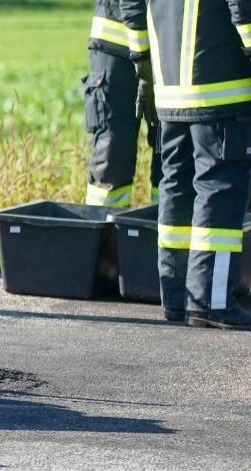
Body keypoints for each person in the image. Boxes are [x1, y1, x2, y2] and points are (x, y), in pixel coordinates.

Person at [120, 0, 251, 329]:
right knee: (219, 188)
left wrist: (142, 61)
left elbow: (131, 5)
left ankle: (178, 299)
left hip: (169, 90)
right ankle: (211, 301)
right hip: (220, 86)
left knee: (176, 186)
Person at [84, 0, 162, 208]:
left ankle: (166, 223)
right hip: (115, 42)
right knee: (111, 150)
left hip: (168, 43)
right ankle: (102, 225)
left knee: (171, 148)